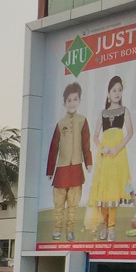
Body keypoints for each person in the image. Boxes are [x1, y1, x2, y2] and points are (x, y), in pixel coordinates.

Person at [86, 75, 134, 242]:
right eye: (114, 90)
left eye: (120, 90)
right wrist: (103, 148)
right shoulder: (103, 114)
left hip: (118, 156)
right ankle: (104, 225)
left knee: (113, 192)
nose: (117, 93)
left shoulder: (125, 110)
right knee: (103, 193)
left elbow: (130, 132)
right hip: (105, 157)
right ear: (108, 93)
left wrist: (117, 148)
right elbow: (95, 136)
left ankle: (111, 226)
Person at [46, 81, 92, 241]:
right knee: (59, 203)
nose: (72, 103)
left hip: (76, 170)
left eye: (75, 99)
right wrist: (50, 170)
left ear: (79, 100)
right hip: (61, 170)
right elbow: (53, 148)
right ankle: (57, 229)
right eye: (69, 100)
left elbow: (86, 143)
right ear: (64, 103)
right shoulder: (60, 124)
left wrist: (89, 162)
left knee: (73, 204)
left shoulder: (82, 120)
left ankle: (70, 230)